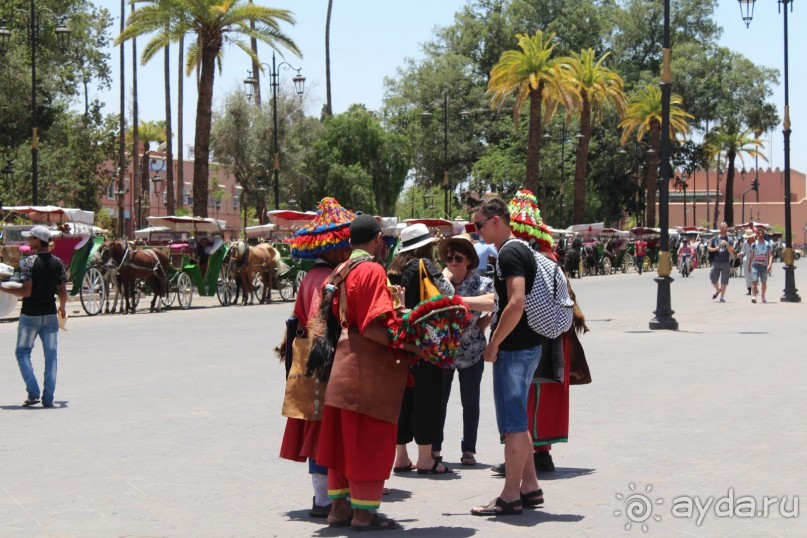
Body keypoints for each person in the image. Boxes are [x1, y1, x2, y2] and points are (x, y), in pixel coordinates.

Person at [315, 214, 420, 531]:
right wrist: (410, 345)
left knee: (342, 444)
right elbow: (374, 326)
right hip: (368, 372)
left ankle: (339, 510)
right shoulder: (372, 269)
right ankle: (363, 515)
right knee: (368, 444)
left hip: (340, 370)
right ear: (377, 240)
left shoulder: (340, 269)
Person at [278, 197, 354, 518]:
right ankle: (325, 500)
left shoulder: (309, 276)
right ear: (334, 248)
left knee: (313, 426)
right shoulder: (329, 278)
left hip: (305, 355)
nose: (348, 250)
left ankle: (320, 497)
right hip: (322, 358)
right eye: (345, 245)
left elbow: (297, 319)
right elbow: (319, 322)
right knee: (322, 429)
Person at [470, 198, 542, 517]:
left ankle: (510, 495)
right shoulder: (516, 250)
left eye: (478, 224)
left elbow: (516, 302)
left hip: (514, 350)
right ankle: (530, 485)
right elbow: (498, 300)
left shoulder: (510, 252)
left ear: (496, 220)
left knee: (513, 424)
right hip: (524, 347)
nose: (477, 230)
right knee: (518, 420)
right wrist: (460, 300)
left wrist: (494, 342)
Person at [387, 223, 455, 475]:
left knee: (403, 399)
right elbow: (447, 294)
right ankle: (426, 458)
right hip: (425, 341)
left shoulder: (394, 269)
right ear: (426, 246)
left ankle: (401, 457)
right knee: (427, 397)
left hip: (401, 341)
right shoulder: (426, 266)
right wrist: (446, 276)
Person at [432, 233, 494, 467]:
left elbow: (493, 303)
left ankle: (468, 449)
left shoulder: (481, 282)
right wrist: (444, 281)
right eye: (448, 258)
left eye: (458, 257)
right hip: (444, 352)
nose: (453, 262)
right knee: (439, 402)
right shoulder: (441, 282)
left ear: (468, 260)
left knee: (470, 402)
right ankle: (435, 448)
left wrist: (461, 303)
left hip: (472, 351)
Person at [0, 225, 67, 408]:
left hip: (30, 315)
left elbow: (26, 292)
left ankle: (33, 391)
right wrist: (62, 307)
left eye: (30, 238)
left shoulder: (29, 262)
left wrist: (2, 287)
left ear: (38, 241)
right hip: (50, 314)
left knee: (22, 353)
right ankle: (48, 398)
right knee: (51, 357)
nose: (28, 241)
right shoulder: (58, 262)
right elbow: (62, 290)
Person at [708, 223, 735, 302]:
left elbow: (732, 252)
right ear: (720, 228)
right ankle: (717, 289)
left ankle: (722, 297)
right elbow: (709, 248)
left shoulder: (729, 239)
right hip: (716, 261)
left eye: (725, 227)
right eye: (722, 227)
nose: (724, 229)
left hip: (725, 262)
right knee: (712, 277)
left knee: (724, 280)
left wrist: (727, 245)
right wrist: (715, 249)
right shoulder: (715, 238)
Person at [748, 226, 773, 304]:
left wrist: (769, 264)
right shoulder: (754, 245)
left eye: (762, 234)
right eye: (759, 234)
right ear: (757, 235)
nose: (760, 235)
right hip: (755, 265)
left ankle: (763, 296)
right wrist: (749, 265)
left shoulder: (767, 244)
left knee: (764, 282)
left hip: (764, 266)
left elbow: (770, 255)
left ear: (763, 235)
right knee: (754, 281)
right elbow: (751, 255)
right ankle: (754, 296)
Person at [740, 229, 755, 295]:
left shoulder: (755, 243)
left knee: (754, 274)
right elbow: (743, 251)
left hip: (754, 260)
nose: (749, 238)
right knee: (747, 274)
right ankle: (749, 289)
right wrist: (740, 253)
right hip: (747, 260)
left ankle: (754, 287)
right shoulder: (745, 243)